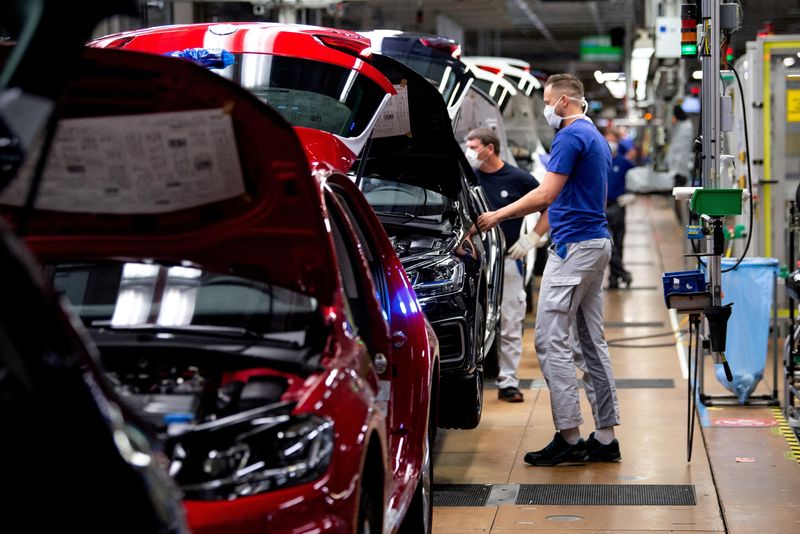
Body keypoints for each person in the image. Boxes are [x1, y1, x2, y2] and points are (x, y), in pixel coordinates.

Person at [475, 73, 621, 465]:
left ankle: (570, 436)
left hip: (574, 250)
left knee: (549, 339)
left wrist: (496, 215)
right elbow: (573, 197)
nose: (545, 108)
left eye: (546, 101)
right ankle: (606, 437)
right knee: (591, 342)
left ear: (563, 102)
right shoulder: (596, 138)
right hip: (596, 243)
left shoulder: (570, 137)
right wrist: (538, 235)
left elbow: (546, 194)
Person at [465, 127, 543, 403]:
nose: (469, 151)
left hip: (509, 263)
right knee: (472, 323)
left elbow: (550, 204)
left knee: (510, 322)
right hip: (471, 264)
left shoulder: (519, 178)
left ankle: (508, 381)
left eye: (473, 146)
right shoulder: (466, 179)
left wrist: (533, 238)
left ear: (490, 148)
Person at [604, 129, 635, 289]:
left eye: (612, 140)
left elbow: (637, 178)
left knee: (619, 242)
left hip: (618, 205)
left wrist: (632, 193)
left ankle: (615, 278)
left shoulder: (623, 162)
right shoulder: (599, 161)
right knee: (608, 243)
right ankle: (623, 274)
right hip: (602, 207)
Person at [665, 105, 694, 188]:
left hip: (681, 161)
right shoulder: (681, 124)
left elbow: (681, 146)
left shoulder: (686, 125)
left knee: (682, 182)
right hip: (677, 161)